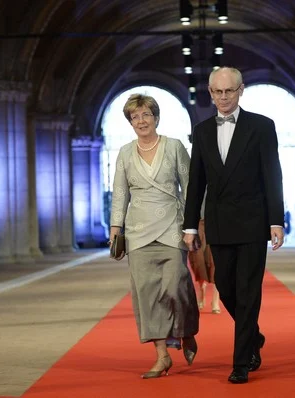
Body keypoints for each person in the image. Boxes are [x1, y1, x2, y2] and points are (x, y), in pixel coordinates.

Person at [183, 66, 285, 384]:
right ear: (210, 93)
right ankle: (253, 336)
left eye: (229, 91)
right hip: (219, 222)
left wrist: (276, 221)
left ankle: (241, 361)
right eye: (217, 91)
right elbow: (195, 183)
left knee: (247, 292)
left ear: (241, 90)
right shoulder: (201, 132)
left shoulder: (262, 126)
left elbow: (273, 176)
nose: (223, 97)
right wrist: (189, 226)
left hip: (253, 222)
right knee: (225, 286)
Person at [109, 93, 199, 379]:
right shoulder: (124, 152)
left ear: (156, 117)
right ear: (130, 122)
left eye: (146, 115)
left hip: (171, 227)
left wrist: (190, 227)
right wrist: (116, 229)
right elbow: (120, 192)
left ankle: (185, 331)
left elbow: (189, 187)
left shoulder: (174, 147)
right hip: (138, 233)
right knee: (147, 297)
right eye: (135, 117)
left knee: (177, 286)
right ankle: (161, 356)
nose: (141, 121)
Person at [188, 201, 221, 314]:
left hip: (217, 221)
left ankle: (215, 300)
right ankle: (201, 288)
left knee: (216, 260)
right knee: (198, 259)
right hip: (197, 222)